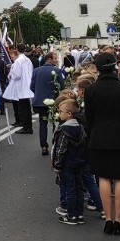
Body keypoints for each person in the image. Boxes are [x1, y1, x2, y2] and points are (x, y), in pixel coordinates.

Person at [83, 51, 120, 235]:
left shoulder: (90, 90)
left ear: (97, 68)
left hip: (99, 137)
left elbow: (88, 117)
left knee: (104, 178)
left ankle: (108, 219)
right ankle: (119, 220)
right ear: (114, 66)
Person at [51, 97, 88, 226]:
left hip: (67, 164)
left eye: (60, 111)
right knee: (79, 188)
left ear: (69, 114)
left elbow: (61, 149)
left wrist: (57, 165)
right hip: (79, 162)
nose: (59, 113)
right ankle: (79, 214)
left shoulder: (63, 130)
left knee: (70, 189)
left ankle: (71, 215)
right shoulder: (81, 128)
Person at [30, 51, 64, 154]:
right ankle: (55, 143)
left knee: (43, 123)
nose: (57, 60)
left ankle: (44, 146)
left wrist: (39, 93)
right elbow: (61, 87)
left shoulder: (36, 71)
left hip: (40, 101)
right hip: (54, 100)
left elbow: (32, 86)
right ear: (49, 59)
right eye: (55, 58)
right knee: (55, 122)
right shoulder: (57, 71)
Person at [3, 47, 34, 132]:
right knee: (27, 108)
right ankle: (29, 126)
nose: (12, 58)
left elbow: (17, 75)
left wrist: (11, 74)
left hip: (21, 87)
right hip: (27, 85)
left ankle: (25, 127)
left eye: (12, 57)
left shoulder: (18, 61)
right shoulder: (27, 60)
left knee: (22, 108)